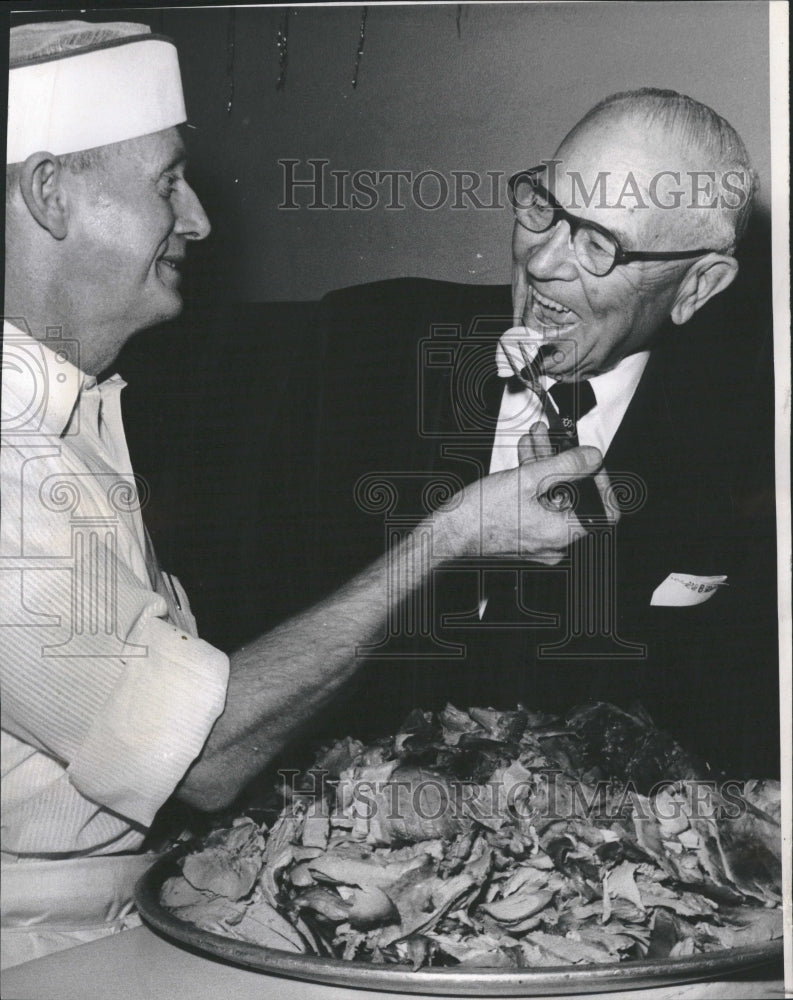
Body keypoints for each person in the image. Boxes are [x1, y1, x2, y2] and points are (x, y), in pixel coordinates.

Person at [0, 20, 606, 967]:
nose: (198, 219)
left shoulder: (80, 401)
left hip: (130, 897)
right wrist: (447, 536)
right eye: (167, 182)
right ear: (49, 194)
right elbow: (198, 761)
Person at [307, 89, 777, 772]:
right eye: (544, 209)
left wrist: (594, 572)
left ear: (697, 286)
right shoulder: (361, 347)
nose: (541, 261)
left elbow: (730, 729)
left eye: (597, 243)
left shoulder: (752, 444)